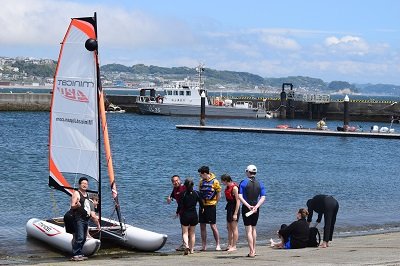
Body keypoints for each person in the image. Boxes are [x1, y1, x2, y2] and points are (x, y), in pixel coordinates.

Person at [238, 164, 266, 258]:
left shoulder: (243, 182)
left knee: (248, 230)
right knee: (254, 228)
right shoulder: (260, 183)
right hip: (256, 208)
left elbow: (240, 196)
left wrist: (248, 206)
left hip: (247, 208)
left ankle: (251, 251)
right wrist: (256, 206)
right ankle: (254, 249)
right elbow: (263, 197)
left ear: (247, 172)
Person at [177, 178, 204, 255]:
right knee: (192, 233)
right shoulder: (197, 193)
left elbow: (180, 205)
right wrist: (202, 209)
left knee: (185, 233)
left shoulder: (182, 194)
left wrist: (177, 212)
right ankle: (191, 250)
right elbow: (201, 203)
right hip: (194, 215)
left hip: (185, 214)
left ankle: (186, 245)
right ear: (193, 185)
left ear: (185, 186)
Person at [198, 165, 222, 251]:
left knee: (213, 226)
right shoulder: (201, 182)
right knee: (202, 226)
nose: (200, 176)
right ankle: (204, 245)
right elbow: (200, 193)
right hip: (202, 206)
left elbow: (219, 193)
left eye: (200, 174)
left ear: (205, 173)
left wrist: (216, 202)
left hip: (211, 205)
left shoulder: (215, 181)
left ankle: (218, 244)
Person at [70, 177, 92, 261]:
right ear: (79, 184)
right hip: (78, 218)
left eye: (86, 184)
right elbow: (72, 206)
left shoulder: (87, 194)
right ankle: (75, 254)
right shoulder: (76, 193)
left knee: (84, 238)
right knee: (80, 237)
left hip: (85, 219)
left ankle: (79, 253)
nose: (85, 185)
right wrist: (77, 205)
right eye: (83, 183)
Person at [166, 175, 186, 251]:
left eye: (177, 180)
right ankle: (185, 244)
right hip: (181, 211)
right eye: (173, 181)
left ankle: (187, 245)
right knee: (183, 229)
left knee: (188, 229)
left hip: (188, 210)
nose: (175, 182)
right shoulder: (175, 189)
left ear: (180, 180)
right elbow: (171, 196)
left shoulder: (184, 187)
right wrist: (169, 198)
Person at [221, 174, 240, 252]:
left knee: (234, 228)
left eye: (222, 181)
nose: (221, 182)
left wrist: (235, 213)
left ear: (226, 180)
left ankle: (234, 246)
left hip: (234, 208)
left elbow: (238, 201)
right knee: (229, 228)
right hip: (229, 207)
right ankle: (229, 244)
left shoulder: (234, 188)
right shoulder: (227, 187)